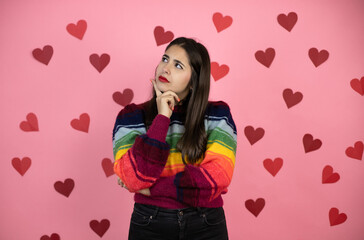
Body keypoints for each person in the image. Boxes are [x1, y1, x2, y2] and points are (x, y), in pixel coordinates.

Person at [112, 37, 237, 240]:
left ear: (194, 81)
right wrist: (162, 119)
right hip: (149, 223)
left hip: (206, 223)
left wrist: (152, 190)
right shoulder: (130, 116)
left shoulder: (218, 115)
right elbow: (133, 177)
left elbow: (218, 177)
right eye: (165, 59)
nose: (166, 68)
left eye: (178, 65)